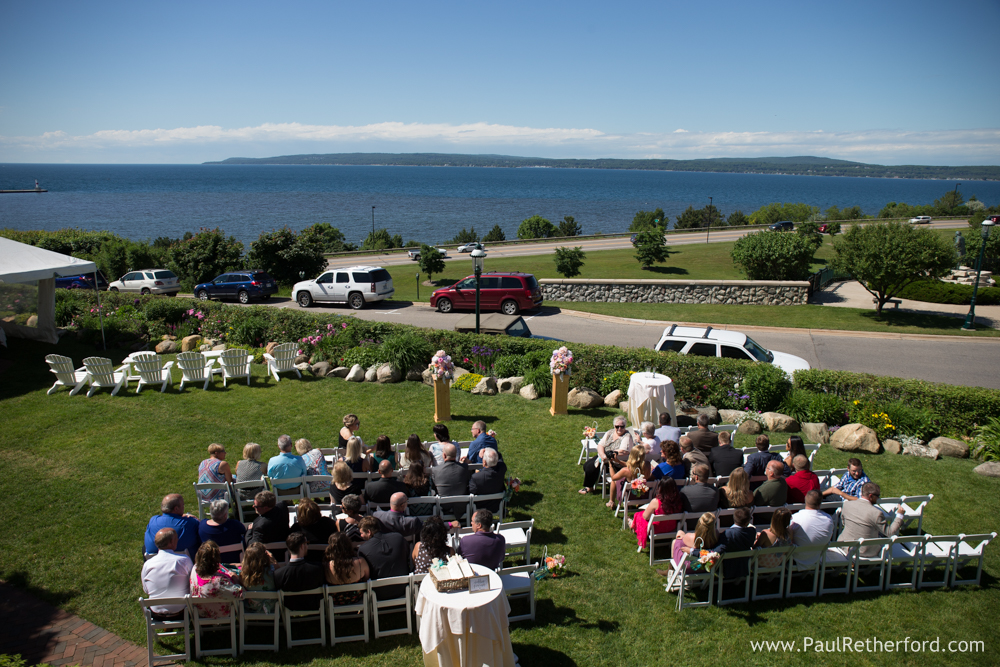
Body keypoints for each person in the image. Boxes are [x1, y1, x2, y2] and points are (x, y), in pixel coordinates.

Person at [837, 482, 905, 557]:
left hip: (843, 545)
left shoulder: (847, 504)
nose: (879, 498)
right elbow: (890, 533)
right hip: (862, 551)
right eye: (878, 496)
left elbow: (844, 523)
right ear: (870, 496)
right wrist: (900, 515)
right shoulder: (876, 513)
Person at [141, 528, 193, 619]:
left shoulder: (147, 564)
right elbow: (192, 584)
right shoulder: (184, 560)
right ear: (171, 542)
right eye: (176, 538)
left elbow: (146, 590)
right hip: (182, 611)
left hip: (156, 612)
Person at [580, 415, 635, 494]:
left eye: (622, 427)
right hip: (605, 456)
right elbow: (601, 444)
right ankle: (596, 479)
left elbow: (623, 451)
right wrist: (602, 455)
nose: (619, 429)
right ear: (614, 426)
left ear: (625, 426)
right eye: (617, 426)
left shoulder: (627, 436)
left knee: (590, 467)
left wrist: (607, 455)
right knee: (586, 464)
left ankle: (589, 487)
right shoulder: (610, 432)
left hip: (615, 461)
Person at [357, 516, 410, 597]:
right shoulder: (398, 537)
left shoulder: (363, 549)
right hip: (404, 588)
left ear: (369, 532)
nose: (361, 536)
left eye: (361, 533)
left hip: (378, 593)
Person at [189, 541, 242, 618]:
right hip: (220, 613)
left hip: (199, 611)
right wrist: (235, 579)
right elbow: (240, 594)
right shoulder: (219, 582)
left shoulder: (195, 568)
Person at [273, 532, 325, 610]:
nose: (307, 546)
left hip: (290, 607)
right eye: (306, 543)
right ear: (302, 546)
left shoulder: (279, 574)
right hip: (313, 605)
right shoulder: (317, 568)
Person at [631, 477, 682, 550]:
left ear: (661, 488)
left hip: (657, 529)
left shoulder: (656, 501)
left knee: (639, 515)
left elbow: (645, 517)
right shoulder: (678, 501)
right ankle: (632, 523)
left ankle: (632, 524)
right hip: (671, 527)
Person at [789, 490, 836, 567]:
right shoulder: (828, 519)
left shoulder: (795, 518)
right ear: (820, 503)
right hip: (816, 557)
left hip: (794, 557)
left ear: (805, 499)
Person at [323, 532, 370, 605]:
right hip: (356, 599)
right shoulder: (360, 562)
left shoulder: (327, 566)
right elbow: (367, 579)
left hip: (335, 601)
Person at [713, 507, 758, 579]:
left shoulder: (728, 533)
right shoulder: (751, 532)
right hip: (743, 567)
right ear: (747, 522)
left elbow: (718, 550)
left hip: (727, 568)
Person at [430, 443, 472, 518]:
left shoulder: (436, 470)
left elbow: (434, 490)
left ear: (444, 455)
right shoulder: (464, 468)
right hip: (461, 506)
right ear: (456, 455)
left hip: (443, 507)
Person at [608, 445, 651, 509]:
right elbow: (633, 465)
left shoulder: (626, 470)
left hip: (629, 496)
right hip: (643, 494)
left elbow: (613, 477)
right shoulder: (647, 465)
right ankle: (638, 504)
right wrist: (618, 461)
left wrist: (610, 465)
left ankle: (611, 502)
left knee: (614, 481)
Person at [240, 542, 277, 613]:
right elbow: (279, 571)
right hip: (272, 607)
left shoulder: (243, 576)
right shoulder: (273, 571)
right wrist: (273, 559)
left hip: (252, 608)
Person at [469, 448, 506, 513]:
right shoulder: (502, 468)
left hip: (480, 508)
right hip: (496, 506)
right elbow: (500, 458)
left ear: (484, 462)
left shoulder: (476, 477)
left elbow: (471, 491)